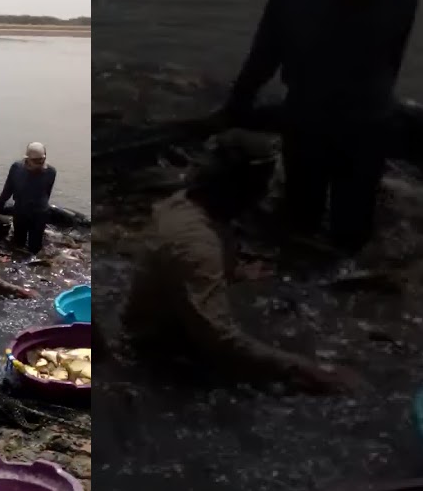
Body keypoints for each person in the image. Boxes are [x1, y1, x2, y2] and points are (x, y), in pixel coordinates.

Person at [218, 0, 419, 255]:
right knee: (300, 217)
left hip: (366, 123)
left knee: (353, 230)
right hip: (307, 116)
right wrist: (238, 102)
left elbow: (391, 62)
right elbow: (267, 48)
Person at [122, 132, 361, 394]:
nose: (266, 191)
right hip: (159, 355)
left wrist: (234, 271)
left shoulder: (187, 202)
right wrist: (305, 369)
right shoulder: (196, 245)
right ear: (243, 187)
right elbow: (220, 339)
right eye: (263, 183)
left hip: (165, 325)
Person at [0, 142, 56, 254]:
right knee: (18, 242)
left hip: (40, 213)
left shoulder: (51, 172)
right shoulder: (16, 168)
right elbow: (8, 189)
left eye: (41, 161)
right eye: (35, 161)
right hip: (20, 210)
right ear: (27, 159)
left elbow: (47, 193)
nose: (38, 164)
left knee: (35, 246)